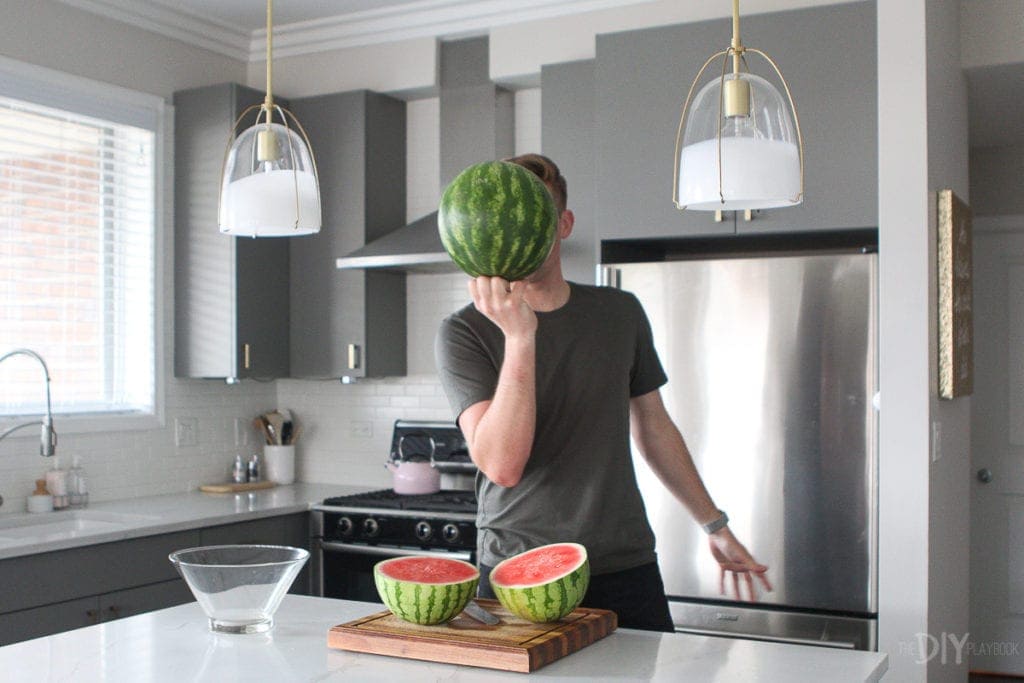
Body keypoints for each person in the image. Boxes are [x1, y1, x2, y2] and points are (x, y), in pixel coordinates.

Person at [434, 153, 771, 632]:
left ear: (564, 223)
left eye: (536, 217)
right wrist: (520, 337)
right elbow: (503, 465)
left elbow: (654, 428)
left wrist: (714, 525)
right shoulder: (463, 331)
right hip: (517, 567)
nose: (520, 231)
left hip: (623, 561)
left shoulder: (619, 312)